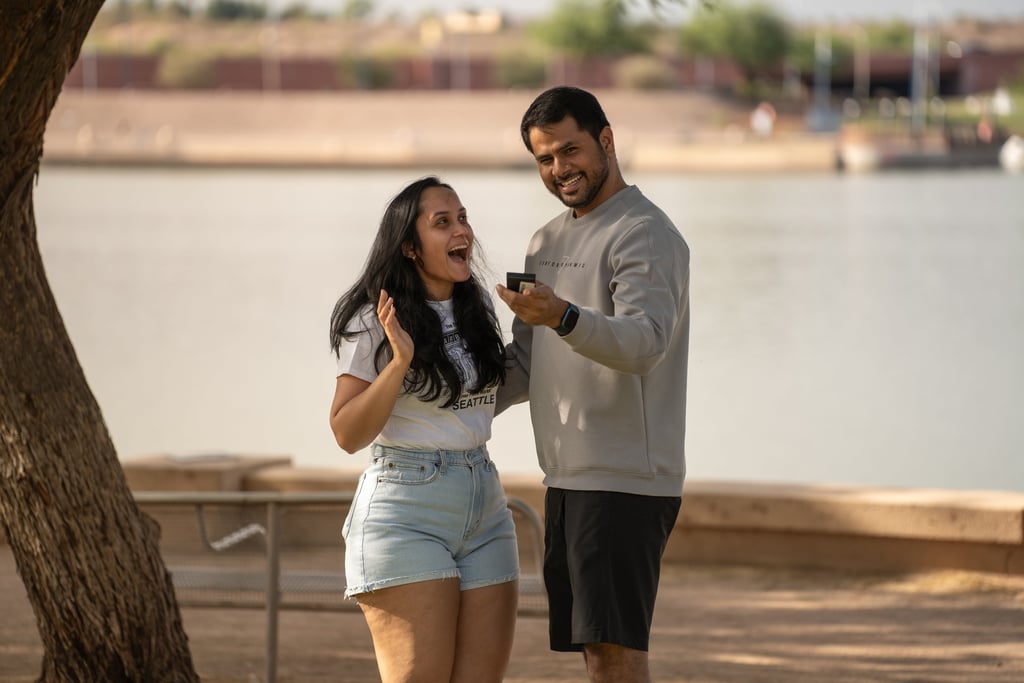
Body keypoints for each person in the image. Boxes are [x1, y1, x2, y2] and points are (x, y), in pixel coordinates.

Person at [496, 86, 690, 683]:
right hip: (567, 477)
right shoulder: (545, 242)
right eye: (544, 159)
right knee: (594, 652)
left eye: (569, 151)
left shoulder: (644, 232)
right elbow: (526, 366)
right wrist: (433, 393)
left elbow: (644, 344)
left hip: (625, 480)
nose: (559, 170)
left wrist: (563, 315)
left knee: (615, 652)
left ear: (606, 140)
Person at [329, 176, 519, 683]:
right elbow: (347, 432)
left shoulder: (475, 311)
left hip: (486, 510)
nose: (462, 230)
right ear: (410, 247)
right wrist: (398, 364)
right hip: (405, 512)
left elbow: (473, 404)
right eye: (443, 222)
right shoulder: (377, 317)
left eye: (463, 218)